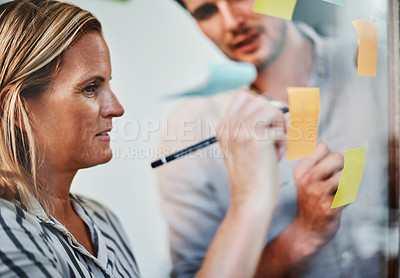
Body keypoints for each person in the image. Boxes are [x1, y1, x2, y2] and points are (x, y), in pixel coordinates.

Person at [0, 1, 288, 277]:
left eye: (107, 84)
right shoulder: (5, 232)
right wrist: (250, 199)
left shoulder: (102, 221)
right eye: (90, 88)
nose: (117, 108)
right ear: (16, 107)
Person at [156, 0, 388, 277]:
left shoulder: (379, 66)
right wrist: (303, 236)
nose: (231, 23)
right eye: (208, 11)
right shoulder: (186, 134)